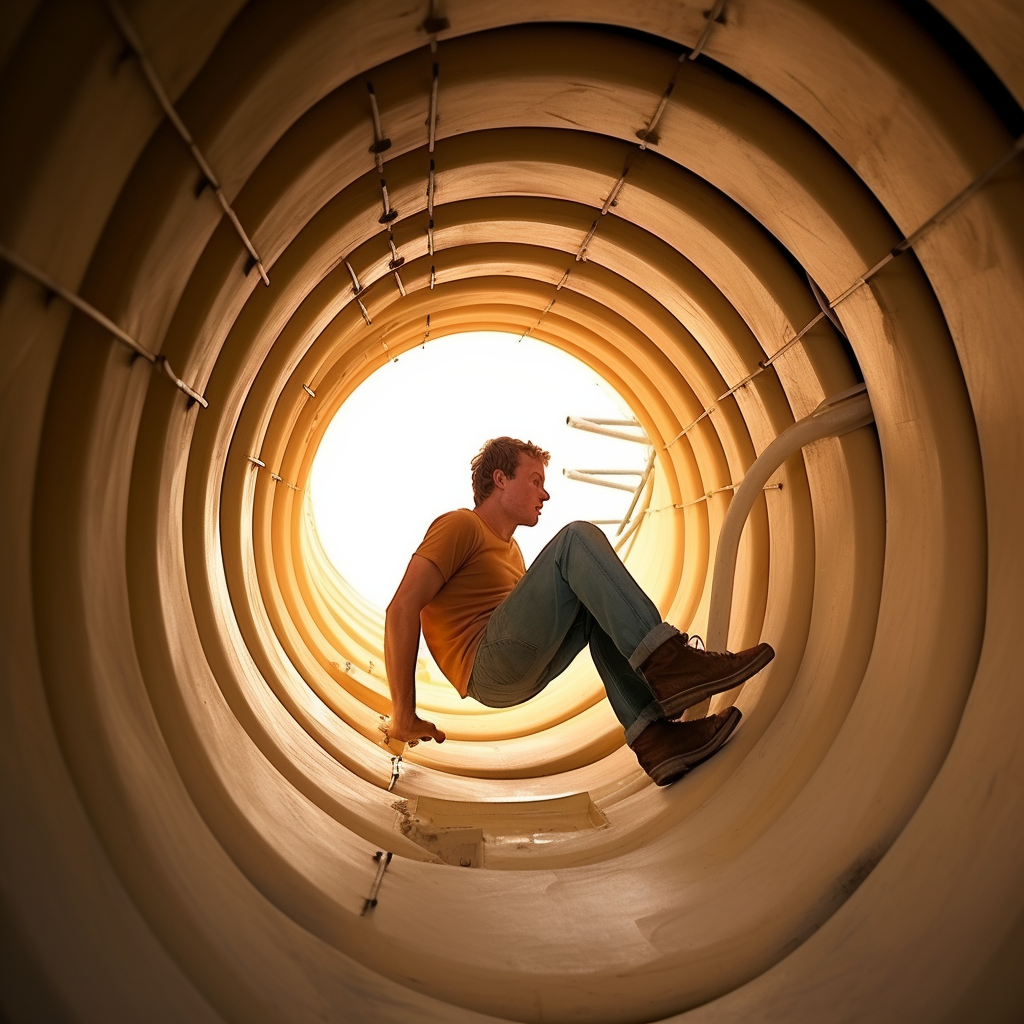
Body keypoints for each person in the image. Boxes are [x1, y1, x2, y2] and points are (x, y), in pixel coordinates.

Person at [384, 436, 774, 785]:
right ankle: (671, 663)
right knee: (575, 540)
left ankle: (655, 739)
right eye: (535, 480)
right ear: (500, 479)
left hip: (515, 674)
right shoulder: (460, 526)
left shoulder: (513, 553)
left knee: (592, 601)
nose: (545, 494)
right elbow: (401, 608)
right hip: (485, 663)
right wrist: (404, 712)